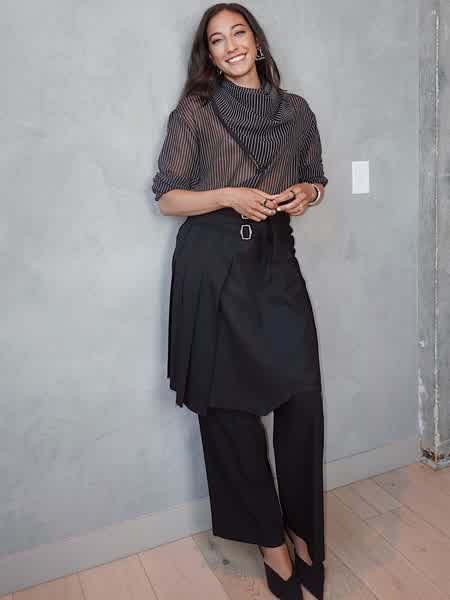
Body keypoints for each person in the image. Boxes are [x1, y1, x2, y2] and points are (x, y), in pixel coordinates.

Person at [152, 4, 328, 599]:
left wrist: (306, 192)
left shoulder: (295, 110)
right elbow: (168, 197)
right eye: (217, 40)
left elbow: (316, 178)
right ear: (209, 54)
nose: (230, 46)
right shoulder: (196, 112)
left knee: (303, 398)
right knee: (229, 412)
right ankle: (272, 545)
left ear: (257, 40)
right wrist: (227, 195)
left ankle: (304, 532)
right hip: (214, 266)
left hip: (275, 260)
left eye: (239, 33)